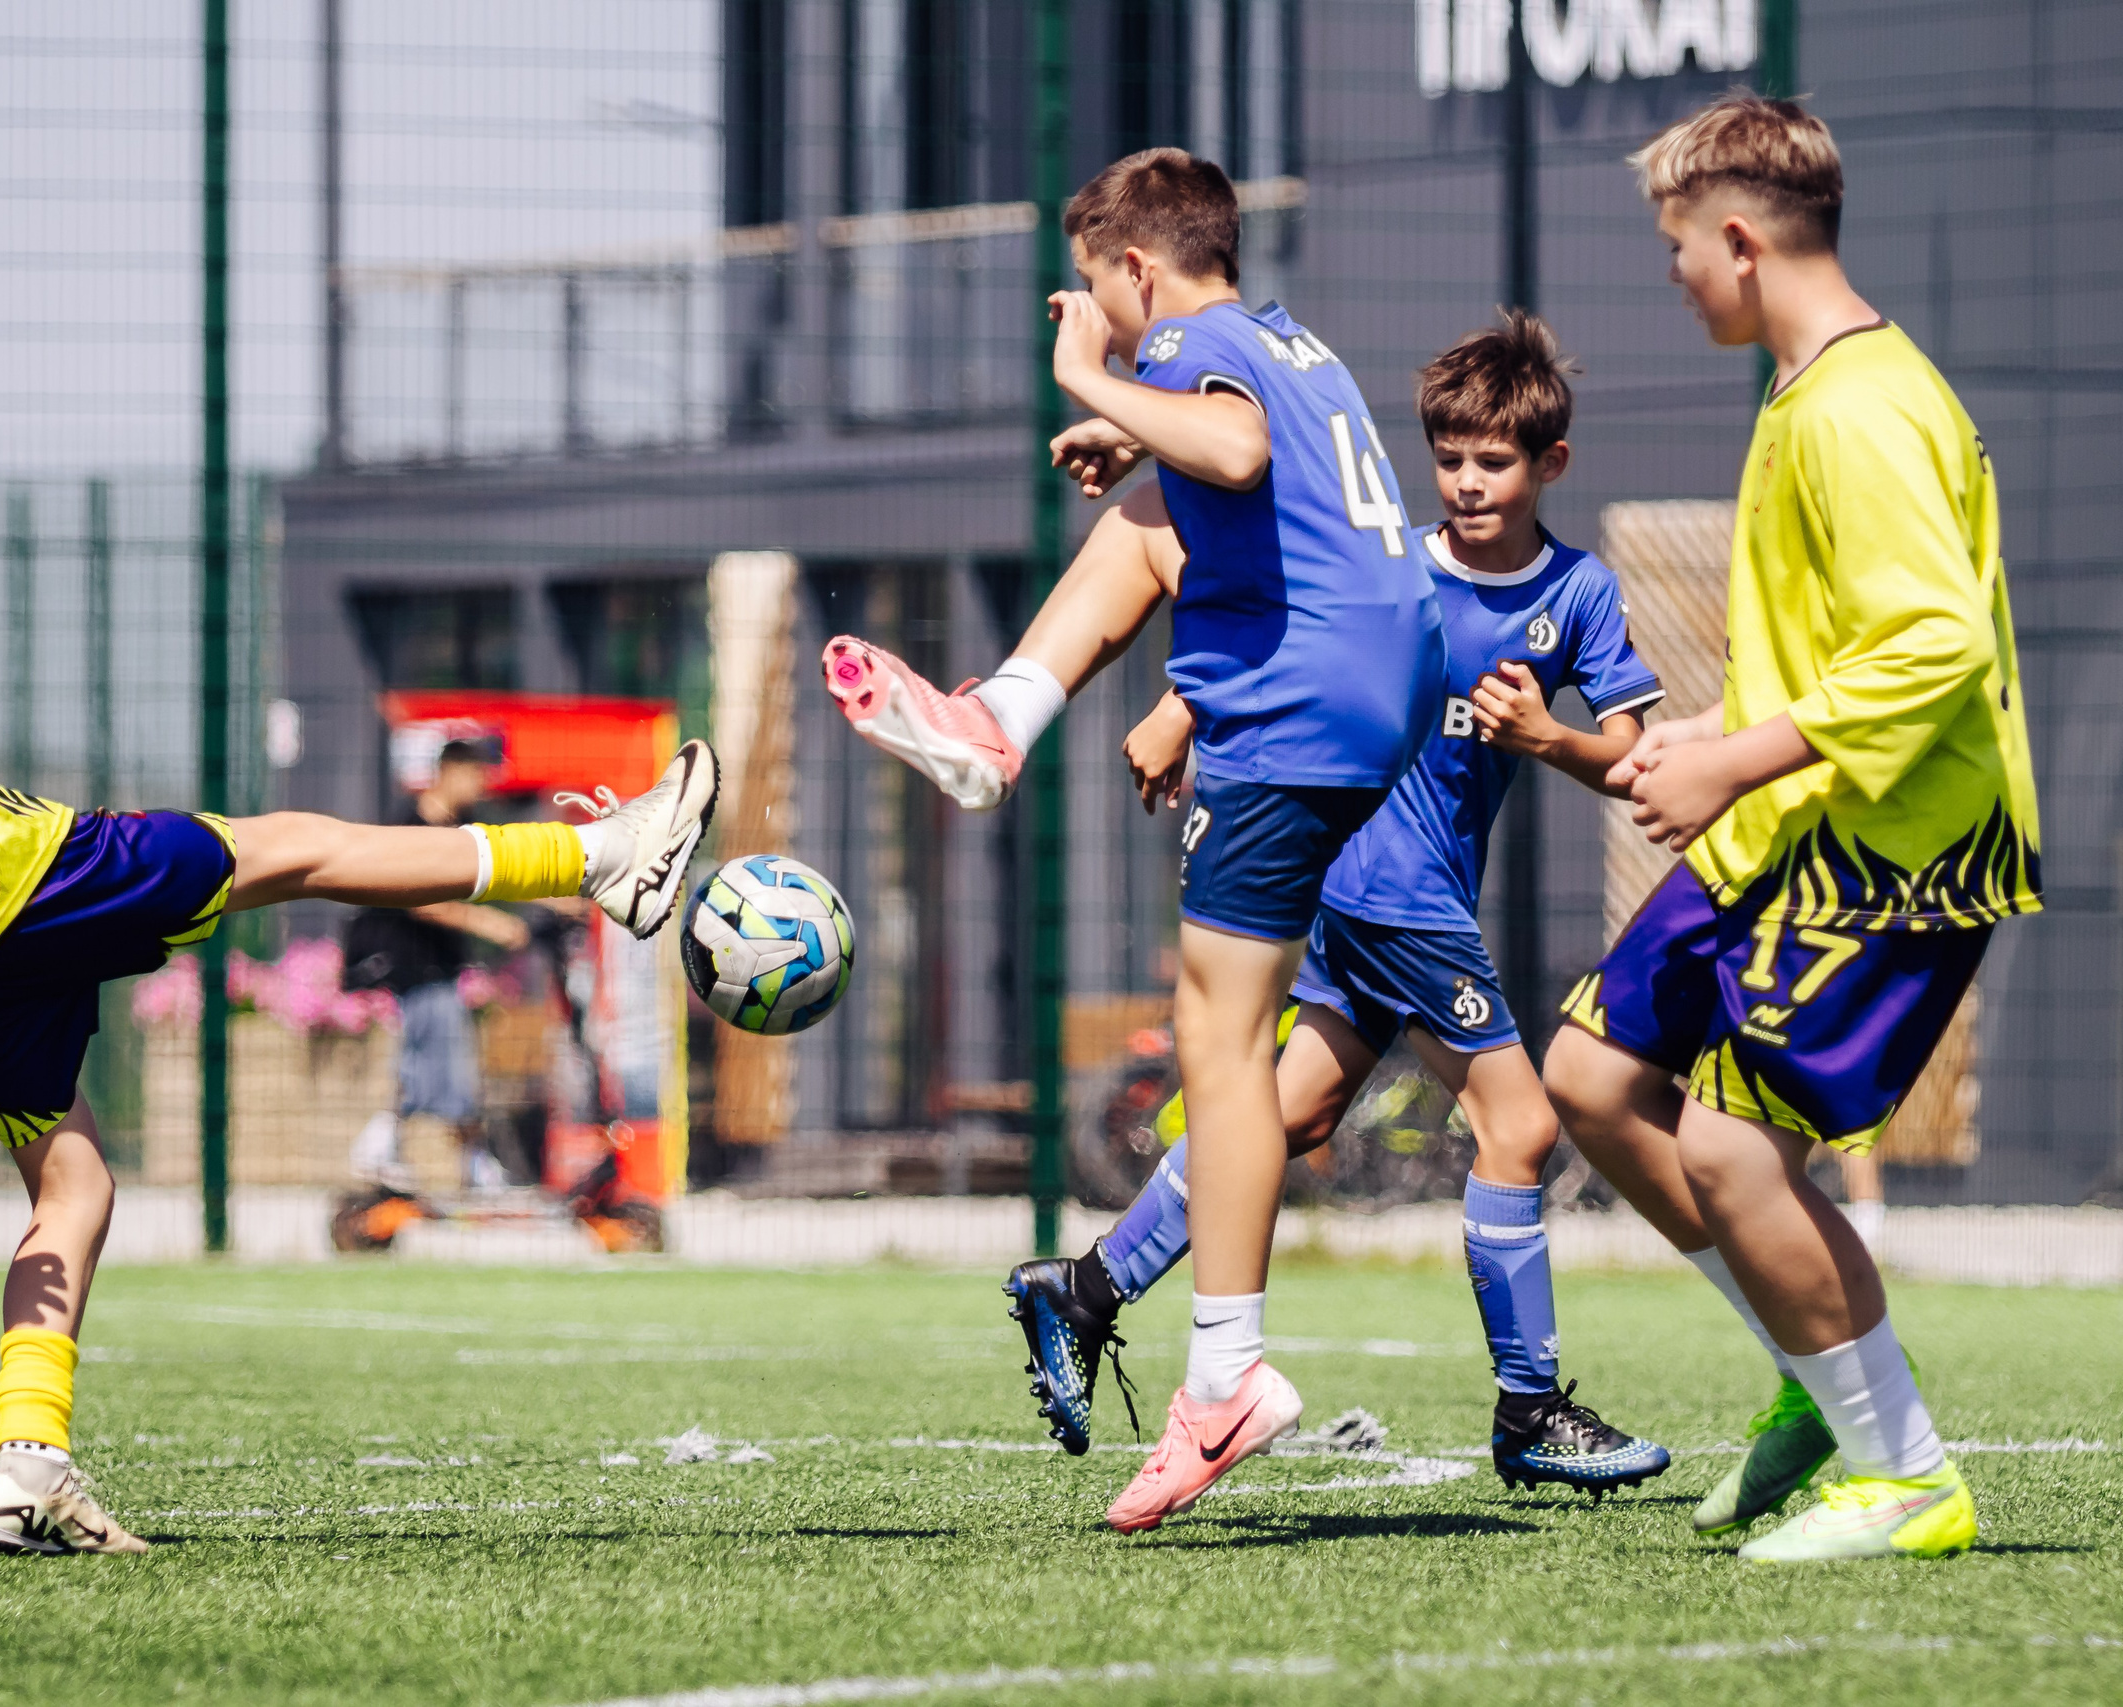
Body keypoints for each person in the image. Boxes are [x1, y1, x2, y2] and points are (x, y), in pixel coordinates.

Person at [0, 401, 719, 1555]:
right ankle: (600, 859)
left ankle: (27, 1467)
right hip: (18, 880)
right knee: (294, 849)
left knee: (74, 1185)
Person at [819, 148, 1443, 1532]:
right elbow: (1244, 475)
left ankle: (1224, 1377)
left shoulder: (1181, 343)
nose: (1094, 308)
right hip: (1380, 686)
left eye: (1096, 284)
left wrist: (1089, 376)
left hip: (1296, 706)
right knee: (1147, 517)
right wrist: (1139, 438)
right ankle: (1002, 715)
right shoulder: (1284, 339)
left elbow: (1237, 452)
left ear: (1139, 270)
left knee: (1220, 1043)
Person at [1006, 310, 1671, 1498]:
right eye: (1449, 458)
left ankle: (1085, 1289)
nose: (1467, 483)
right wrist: (1181, 705)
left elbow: (1631, 753)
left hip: (1409, 892)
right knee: (1519, 1127)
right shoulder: (1392, 566)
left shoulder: (1576, 592)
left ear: (1550, 463)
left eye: (1494, 461)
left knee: (1290, 1114)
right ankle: (1529, 1409)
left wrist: (1547, 738)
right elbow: (1285, 625)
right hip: (1382, 883)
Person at [1541, 95, 2038, 1562]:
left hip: (1894, 849)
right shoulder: (1806, 387)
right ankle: (1818, 1369)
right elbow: (1841, 648)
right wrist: (1710, 735)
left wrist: (1736, 761)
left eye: (1677, 249)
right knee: (1590, 1078)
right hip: (1799, 816)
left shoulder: (1860, 409)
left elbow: (1934, 646)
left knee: (1733, 1153)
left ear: (1740, 239)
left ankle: (1905, 1475)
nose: (1674, 276)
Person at [343, 738, 531, 1194]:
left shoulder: (462, 830)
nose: (482, 786)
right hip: (410, 969)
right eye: (477, 775)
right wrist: (491, 924)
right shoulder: (412, 828)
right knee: (430, 1068)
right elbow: (421, 901)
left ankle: (461, 1162)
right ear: (450, 771)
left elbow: (505, 874)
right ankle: (389, 1149)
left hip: (439, 969)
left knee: (441, 1066)